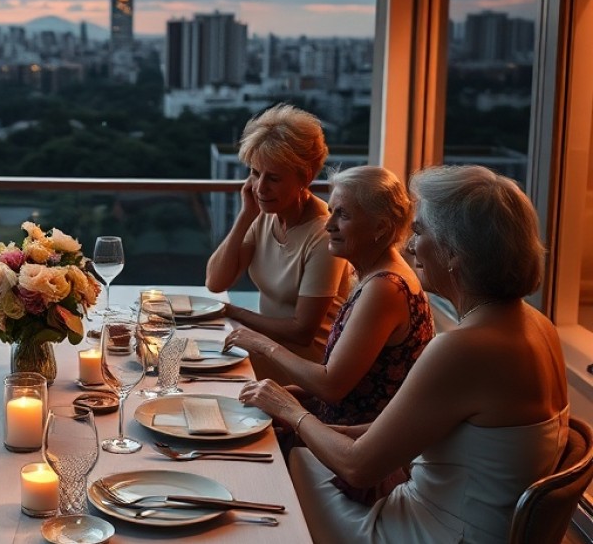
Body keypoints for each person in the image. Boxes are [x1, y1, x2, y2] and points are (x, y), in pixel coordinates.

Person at [240, 165, 569, 543]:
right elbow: (424, 430)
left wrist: (290, 412)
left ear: (454, 254)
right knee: (302, 456)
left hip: (435, 532)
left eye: (420, 231)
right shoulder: (537, 325)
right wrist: (324, 428)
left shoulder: (463, 347)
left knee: (286, 472)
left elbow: (358, 467)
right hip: (474, 521)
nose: (410, 246)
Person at [224, 166, 432, 430]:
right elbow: (353, 382)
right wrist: (287, 394)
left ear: (380, 226)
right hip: (335, 426)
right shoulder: (374, 275)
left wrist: (264, 345)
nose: (328, 224)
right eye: (331, 211)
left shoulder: (385, 287)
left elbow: (331, 385)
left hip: (349, 443)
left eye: (342, 215)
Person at [206, 103, 350, 382]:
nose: (260, 188)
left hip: (306, 370)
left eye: (273, 177)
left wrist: (234, 312)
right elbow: (216, 281)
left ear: (304, 177)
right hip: (267, 352)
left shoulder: (323, 234)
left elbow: (302, 331)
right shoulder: (263, 214)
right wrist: (245, 215)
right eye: (255, 173)